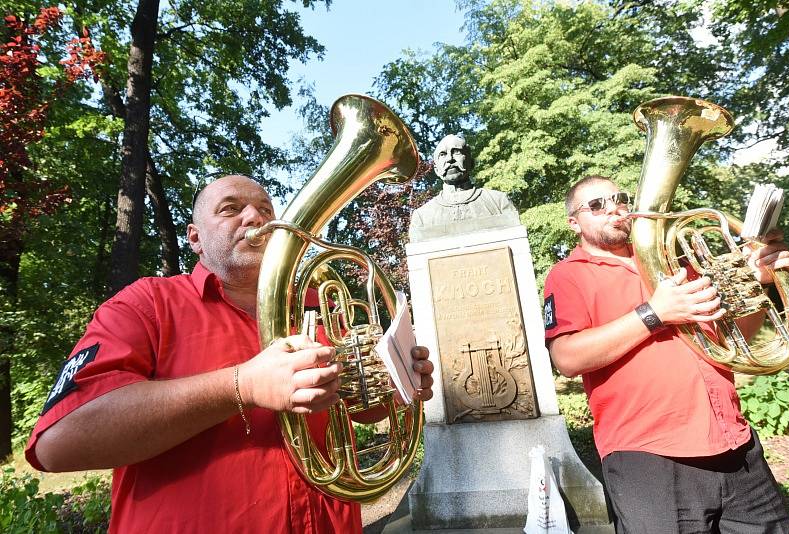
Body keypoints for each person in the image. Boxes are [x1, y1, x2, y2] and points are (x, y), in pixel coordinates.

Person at [25, 174, 435, 533]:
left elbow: (358, 410)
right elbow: (58, 441)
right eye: (231, 209)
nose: (257, 218)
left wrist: (392, 381)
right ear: (195, 237)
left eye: (265, 209)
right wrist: (241, 385)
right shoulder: (145, 304)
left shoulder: (314, 304)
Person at [542, 175, 789, 533]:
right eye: (596, 205)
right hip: (649, 456)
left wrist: (761, 281)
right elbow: (566, 358)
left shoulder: (675, 263)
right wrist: (654, 313)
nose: (613, 208)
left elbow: (731, 336)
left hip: (734, 443)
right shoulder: (567, 275)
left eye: (620, 198)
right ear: (574, 222)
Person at [408, 134, 520, 242]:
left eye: (456, 152)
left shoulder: (498, 202)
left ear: (471, 163)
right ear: (436, 170)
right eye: (442, 154)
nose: (449, 159)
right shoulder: (422, 217)